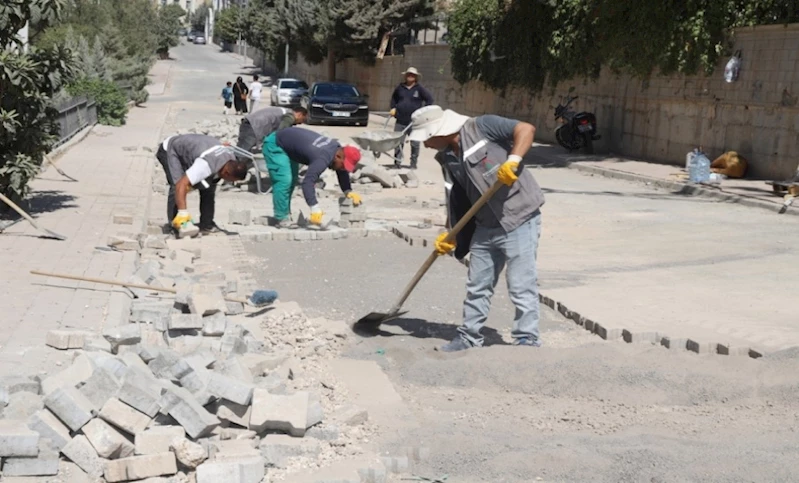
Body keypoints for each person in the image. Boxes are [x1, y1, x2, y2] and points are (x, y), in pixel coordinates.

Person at [408, 105, 544, 352]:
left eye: (427, 137)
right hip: (485, 224)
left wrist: (513, 160)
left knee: (520, 284)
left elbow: (526, 129)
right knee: (477, 285)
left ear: (441, 130)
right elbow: (456, 195)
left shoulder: (482, 126)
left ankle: (527, 339)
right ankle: (469, 338)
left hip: (518, 217)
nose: (426, 145)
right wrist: (450, 233)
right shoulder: (447, 156)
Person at [262, 127, 362, 228]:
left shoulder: (337, 149)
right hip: (275, 144)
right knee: (284, 180)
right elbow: (307, 183)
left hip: (289, 144)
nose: (343, 168)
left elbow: (341, 171)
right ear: (338, 156)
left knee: (292, 180)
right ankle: (281, 218)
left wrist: (347, 190)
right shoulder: (322, 157)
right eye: (343, 165)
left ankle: (286, 213)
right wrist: (315, 208)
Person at [156, 134, 249, 235]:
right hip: (171, 149)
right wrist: (183, 212)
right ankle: (175, 226)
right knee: (177, 185)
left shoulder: (230, 159)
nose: (230, 182)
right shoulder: (205, 165)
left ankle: (206, 224)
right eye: (231, 180)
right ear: (226, 173)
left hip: (196, 151)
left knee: (208, 188)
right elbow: (181, 185)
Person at [389, 67, 434, 170]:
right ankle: (397, 163)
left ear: (416, 77)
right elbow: (393, 99)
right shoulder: (400, 88)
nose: (410, 76)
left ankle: (413, 164)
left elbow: (429, 100)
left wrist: (423, 112)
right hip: (400, 120)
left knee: (415, 144)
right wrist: (393, 109)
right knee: (398, 142)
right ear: (405, 76)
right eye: (409, 74)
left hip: (414, 122)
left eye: (413, 75)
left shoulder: (419, 89)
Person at [237, 106, 308, 155]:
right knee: (242, 152)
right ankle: (232, 170)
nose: (300, 123)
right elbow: (282, 133)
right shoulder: (290, 116)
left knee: (244, 151)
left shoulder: (285, 112)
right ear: (299, 114)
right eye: (303, 119)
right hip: (253, 126)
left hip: (252, 123)